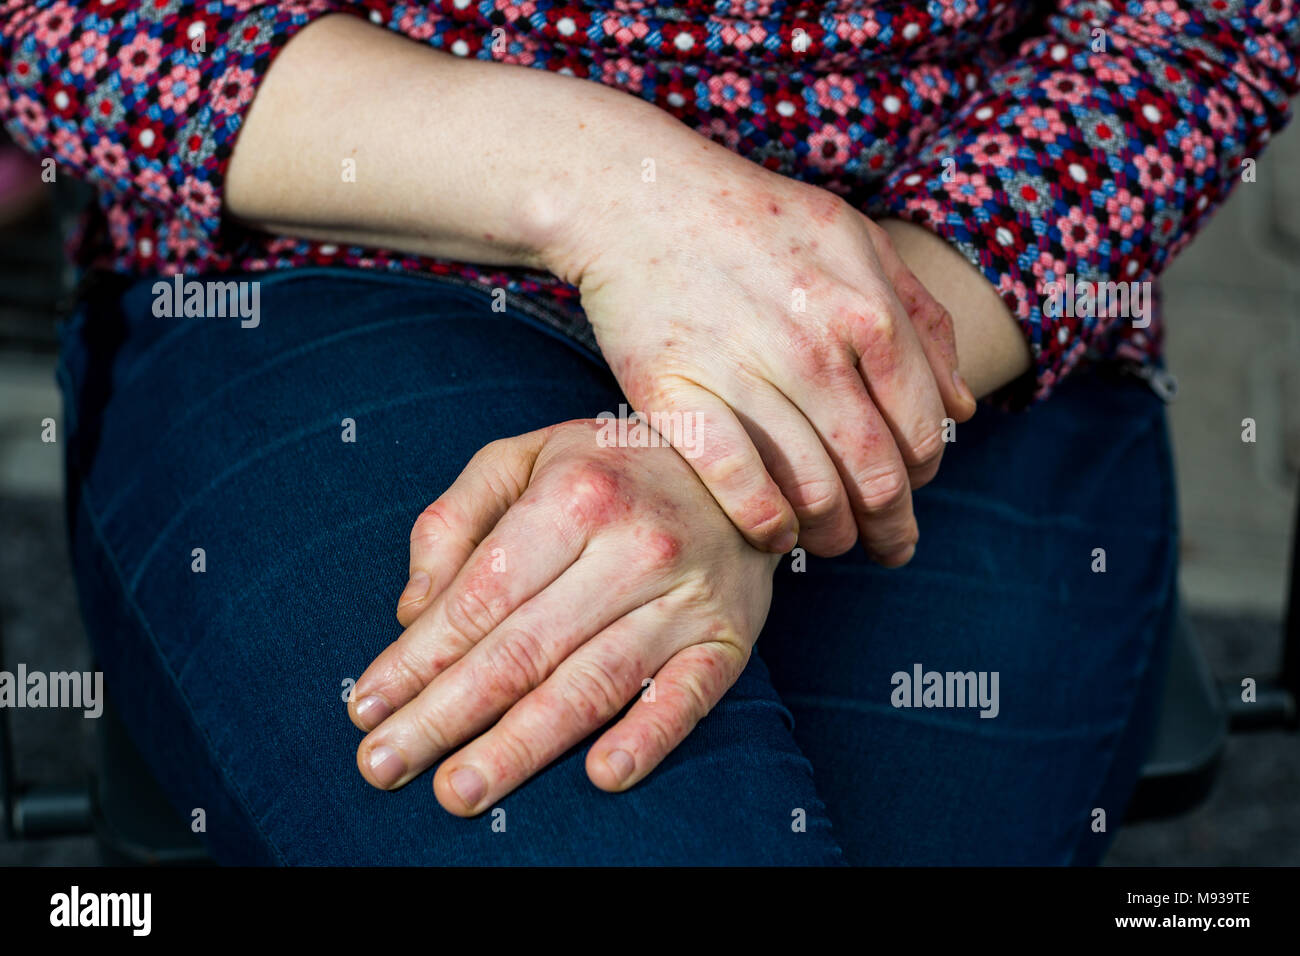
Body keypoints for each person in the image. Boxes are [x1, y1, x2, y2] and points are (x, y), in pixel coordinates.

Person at [2, 1, 1294, 864]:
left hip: (950, 275)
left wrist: (747, 430)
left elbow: (1193, 29)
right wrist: (615, 192)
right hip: (344, 245)